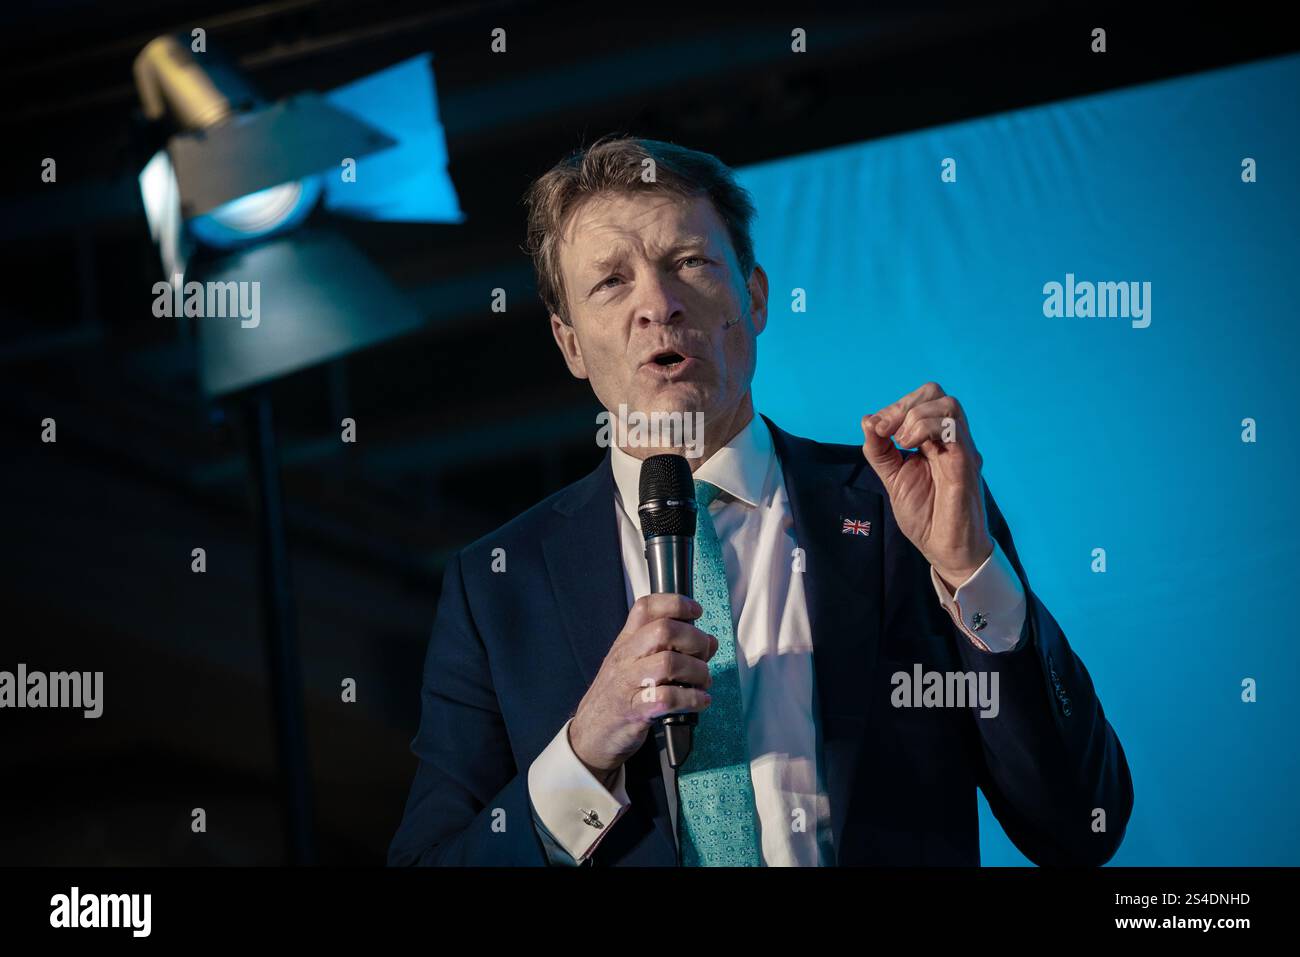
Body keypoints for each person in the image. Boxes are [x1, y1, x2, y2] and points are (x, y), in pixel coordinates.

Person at [388, 135, 1133, 866]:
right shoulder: (496, 587)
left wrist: (973, 572)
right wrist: (584, 749)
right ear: (570, 344)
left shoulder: (905, 511)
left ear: (754, 296)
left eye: (690, 262)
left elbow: (1080, 826)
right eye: (611, 282)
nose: (660, 304)